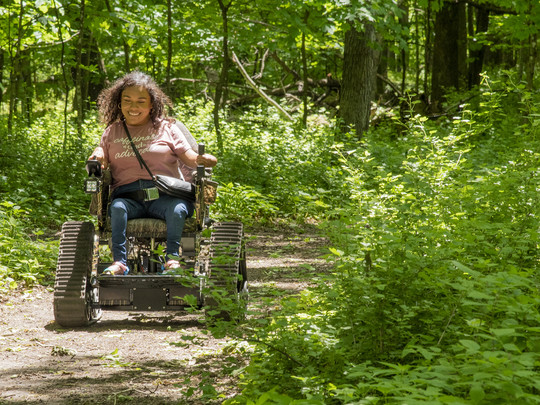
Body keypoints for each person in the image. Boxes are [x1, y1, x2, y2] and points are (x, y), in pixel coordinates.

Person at [89, 71, 217, 275]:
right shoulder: (113, 131)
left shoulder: (167, 128)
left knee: (178, 210)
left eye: (141, 101)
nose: (133, 107)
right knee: (117, 207)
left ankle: (172, 260)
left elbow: (189, 157)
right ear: (119, 103)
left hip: (166, 197)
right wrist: (97, 155)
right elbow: (101, 153)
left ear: (152, 105)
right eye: (127, 100)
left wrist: (203, 159)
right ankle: (120, 263)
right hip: (129, 198)